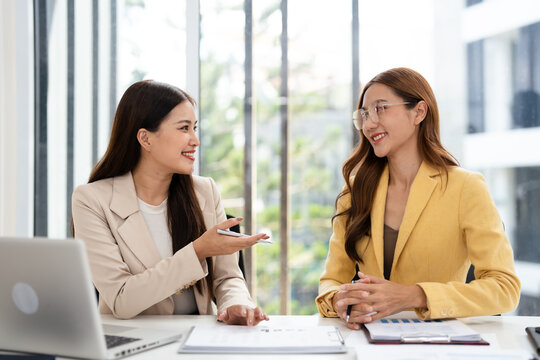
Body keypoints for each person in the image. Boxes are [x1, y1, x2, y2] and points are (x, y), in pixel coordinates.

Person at [316, 67, 521, 329]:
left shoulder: (465, 187)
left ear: (419, 112)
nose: (368, 124)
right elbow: (332, 279)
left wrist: (415, 295)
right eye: (364, 114)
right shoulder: (356, 190)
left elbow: (504, 288)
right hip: (367, 341)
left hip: (439, 342)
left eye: (380, 109)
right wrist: (339, 300)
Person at [72, 80, 270, 325]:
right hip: (132, 342)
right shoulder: (92, 200)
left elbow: (227, 278)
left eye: (194, 128)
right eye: (184, 128)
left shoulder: (205, 191)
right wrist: (198, 251)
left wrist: (236, 305)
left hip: (197, 340)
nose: (195, 140)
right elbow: (122, 300)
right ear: (145, 139)